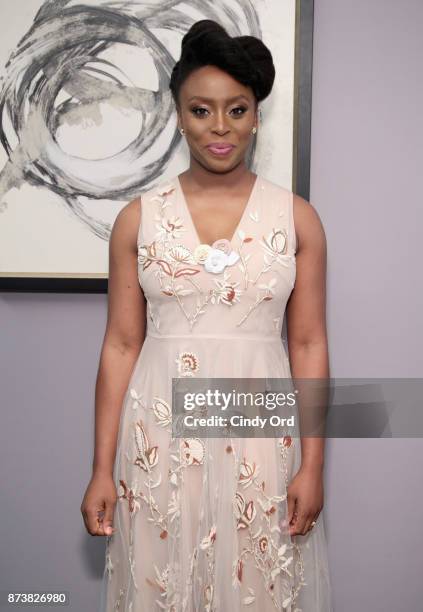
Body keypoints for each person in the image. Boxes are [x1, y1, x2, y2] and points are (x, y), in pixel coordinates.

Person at [81, 19, 332, 612]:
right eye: (201, 110)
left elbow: (310, 344)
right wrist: (99, 467)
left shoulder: (297, 220)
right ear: (177, 114)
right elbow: (120, 345)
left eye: (237, 110)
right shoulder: (138, 221)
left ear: (256, 115)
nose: (220, 128)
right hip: (158, 438)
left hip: (261, 440)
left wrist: (314, 464)